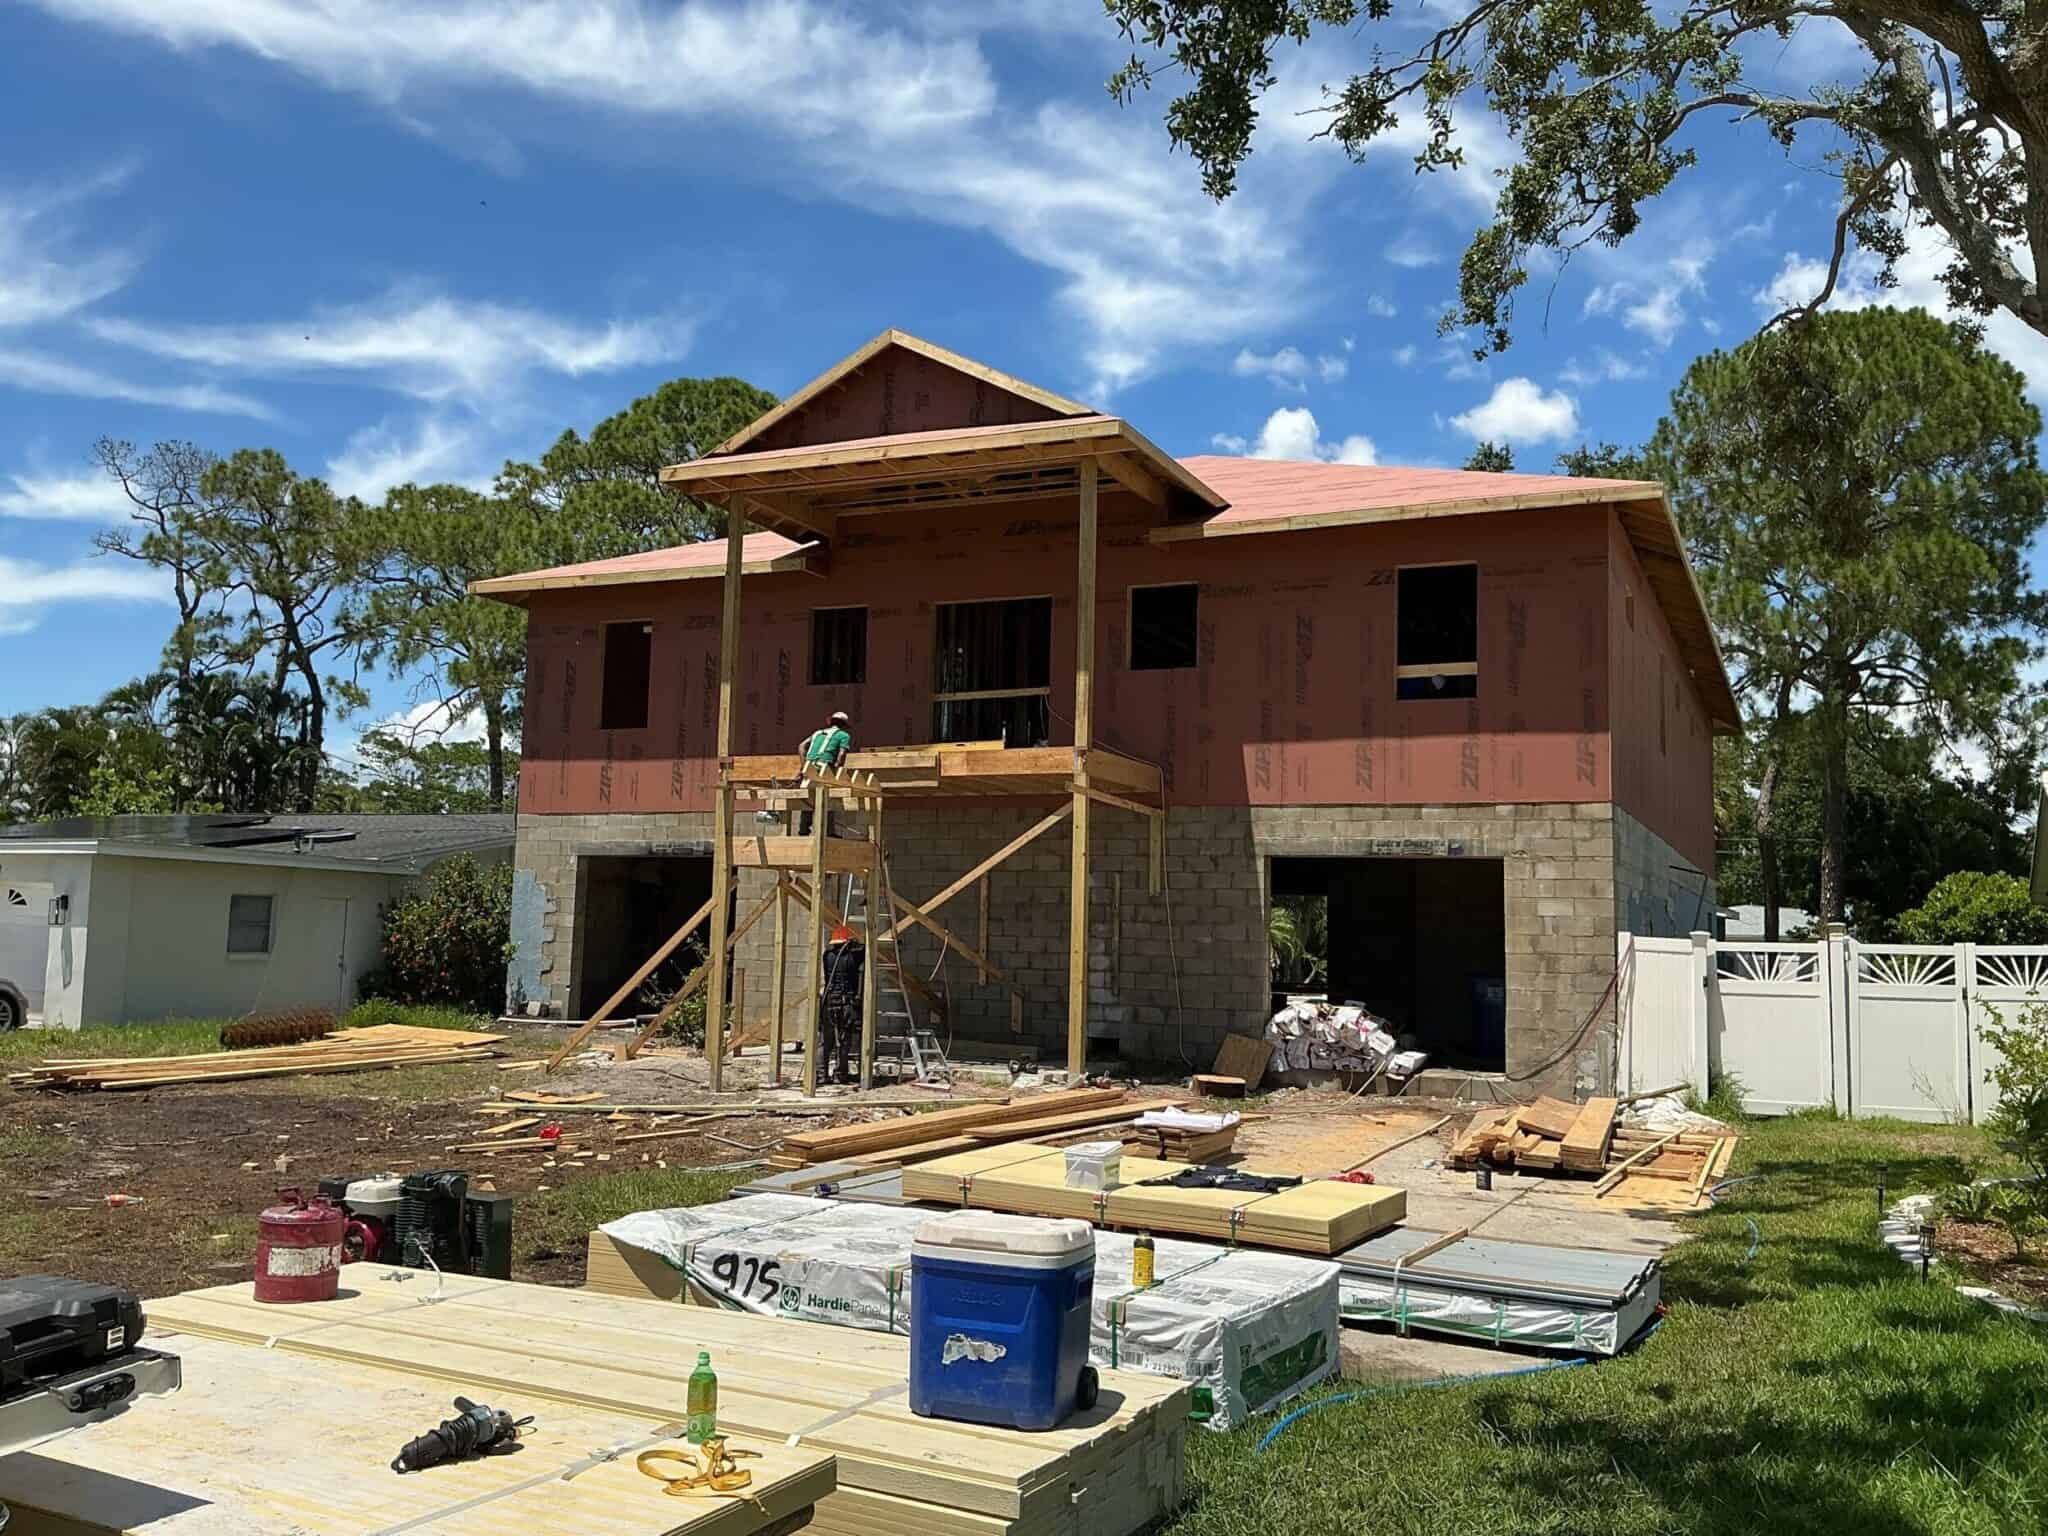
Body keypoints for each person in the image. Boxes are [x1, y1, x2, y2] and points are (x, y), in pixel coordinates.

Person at [820, 924, 864, 1086]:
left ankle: (820, 1074)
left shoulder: (827, 956)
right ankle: (840, 1074)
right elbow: (865, 949)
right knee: (844, 1040)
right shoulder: (854, 957)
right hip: (846, 1003)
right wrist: (854, 942)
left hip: (829, 1001)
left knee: (826, 1040)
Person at [797, 711, 853, 834]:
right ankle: (829, 833)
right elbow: (842, 754)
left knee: (809, 799)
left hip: (810, 768)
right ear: (843, 725)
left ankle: (803, 831)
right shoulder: (844, 735)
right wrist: (838, 770)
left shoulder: (818, 733)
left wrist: (804, 766)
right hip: (825, 768)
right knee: (828, 799)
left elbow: (801, 746)